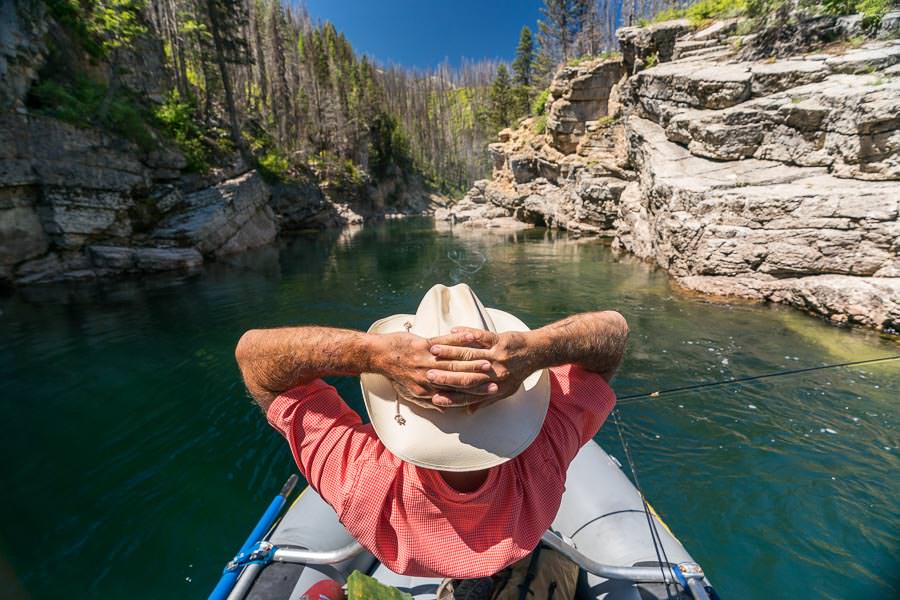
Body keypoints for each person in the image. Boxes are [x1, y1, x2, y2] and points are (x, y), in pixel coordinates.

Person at [235, 283, 627, 579]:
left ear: (398, 393)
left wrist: (371, 354)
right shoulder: (547, 447)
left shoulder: (359, 478)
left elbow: (253, 355)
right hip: (518, 542)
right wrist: (538, 349)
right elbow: (613, 331)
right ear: (515, 393)